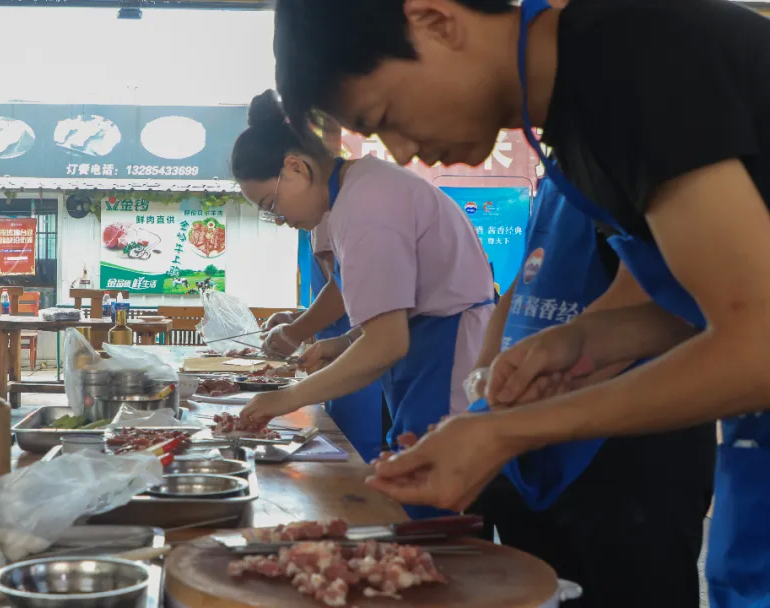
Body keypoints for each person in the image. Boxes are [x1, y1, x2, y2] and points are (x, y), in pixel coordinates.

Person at [269, 0, 770, 604]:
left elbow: (757, 343)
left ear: (434, 19)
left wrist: (507, 433)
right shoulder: (573, 119)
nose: (403, 153)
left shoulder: (629, 57)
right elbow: (703, 298)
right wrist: (580, 341)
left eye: (385, 116)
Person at [233, 91, 496, 518]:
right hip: (427, 346)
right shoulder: (356, 191)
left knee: (431, 504)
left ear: (295, 167)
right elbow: (386, 301)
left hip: (448, 349)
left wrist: (286, 399)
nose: (278, 218)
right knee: (411, 485)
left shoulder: (364, 205)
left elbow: (386, 344)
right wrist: (346, 341)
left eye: (271, 205)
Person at [465, 176, 715, 607]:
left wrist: (503, 421)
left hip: (628, 451)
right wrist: (482, 381)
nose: (408, 146)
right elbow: (526, 276)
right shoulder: (555, 167)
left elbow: (650, 299)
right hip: (536, 437)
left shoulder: (631, 144)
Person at [262, 220, 385, 462]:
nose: (278, 219)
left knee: (356, 460)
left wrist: (295, 332)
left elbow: (342, 292)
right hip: (344, 353)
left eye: (271, 203)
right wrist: (294, 319)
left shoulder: (328, 220)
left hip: (358, 364)